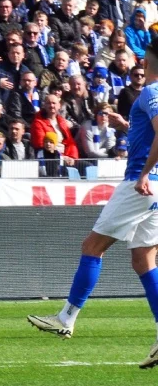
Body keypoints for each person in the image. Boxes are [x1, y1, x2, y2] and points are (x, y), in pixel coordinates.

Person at [28, 42, 158, 367]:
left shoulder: (151, 92)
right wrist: (126, 126)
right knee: (144, 259)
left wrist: (144, 173)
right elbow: (150, 133)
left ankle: (66, 318)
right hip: (156, 187)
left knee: (92, 246)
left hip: (140, 184)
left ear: (146, 62)